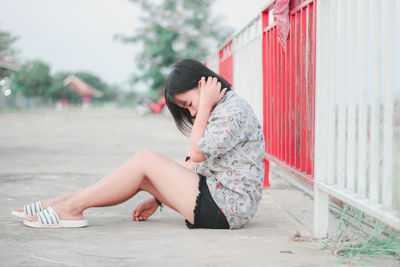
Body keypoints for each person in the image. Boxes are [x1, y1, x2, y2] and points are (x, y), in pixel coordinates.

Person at [12, 58, 265, 230]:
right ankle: (61, 205)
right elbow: (197, 163)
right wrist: (159, 198)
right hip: (217, 197)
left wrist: (206, 104)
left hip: (229, 208)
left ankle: (70, 208)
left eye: (188, 103)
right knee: (139, 175)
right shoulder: (221, 109)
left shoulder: (232, 109)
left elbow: (197, 153)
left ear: (202, 85)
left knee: (145, 159)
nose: (192, 113)